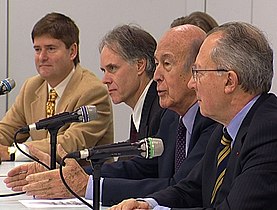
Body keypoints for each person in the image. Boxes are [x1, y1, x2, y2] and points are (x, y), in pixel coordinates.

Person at [5, 24, 218, 206]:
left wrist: (86, 185)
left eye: (112, 68)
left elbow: (183, 189)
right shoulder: (173, 116)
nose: (157, 75)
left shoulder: (205, 117)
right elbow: (144, 166)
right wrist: (69, 174)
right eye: (157, 63)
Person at [110, 22, 277, 210]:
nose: (192, 84)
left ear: (229, 81)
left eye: (198, 72)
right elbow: (189, 190)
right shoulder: (224, 132)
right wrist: (147, 205)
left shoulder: (269, 132)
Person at [0, 12, 113, 161]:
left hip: (82, 180)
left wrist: (12, 152)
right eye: (37, 49)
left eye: (51, 48)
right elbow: (7, 131)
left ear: (72, 51)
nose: (42, 57)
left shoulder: (93, 91)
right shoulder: (31, 87)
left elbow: (70, 144)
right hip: (38, 177)